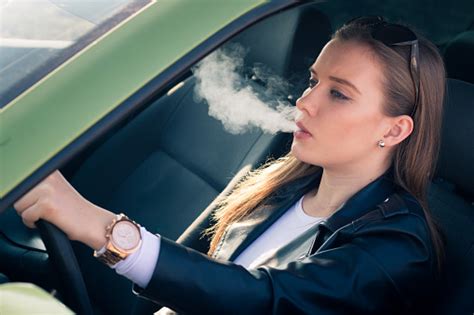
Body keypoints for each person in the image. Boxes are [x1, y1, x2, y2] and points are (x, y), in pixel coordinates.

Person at [13, 16, 446, 314]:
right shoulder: (280, 185)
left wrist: (99, 226)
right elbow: (191, 279)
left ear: (393, 131)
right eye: (314, 81)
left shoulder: (399, 246)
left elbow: (261, 302)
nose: (305, 101)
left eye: (339, 93)